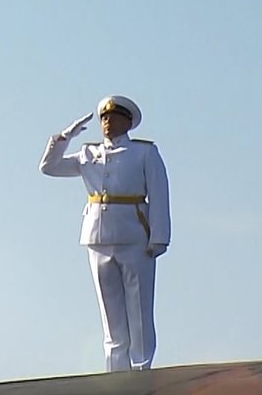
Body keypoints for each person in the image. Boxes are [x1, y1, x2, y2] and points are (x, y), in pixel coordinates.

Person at [40, 95, 171, 372]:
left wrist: (159, 236)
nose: (107, 122)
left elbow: (159, 195)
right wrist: (65, 137)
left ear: (128, 122)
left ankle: (141, 367)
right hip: (98, 237)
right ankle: (116, 370)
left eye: (114, 117)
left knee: (138, 309)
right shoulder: (89, 154)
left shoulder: (144, 153)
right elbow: (49, 167)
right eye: (104, 118)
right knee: (110, 312)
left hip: (135, 236)